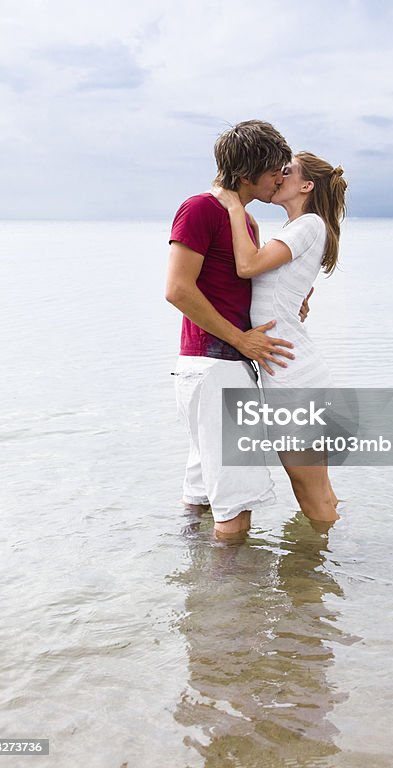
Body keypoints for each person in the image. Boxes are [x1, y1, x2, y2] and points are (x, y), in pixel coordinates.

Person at [166, 120, 302, 540]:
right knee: (237, 509)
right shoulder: (201, 208)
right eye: (274, 170)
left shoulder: (246, 221)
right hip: (216, 367)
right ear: (247, 176)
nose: (281, 177)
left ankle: (197, 588)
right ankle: (236, 603)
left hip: (222, 368)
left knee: (203, 495)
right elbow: (177, 289)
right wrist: (241, 338)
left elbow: (247, 284)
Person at [212, 152, 347, 524]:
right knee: (315, 488)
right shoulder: (301, 228)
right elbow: (279, 290)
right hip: (290, 369)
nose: (276, 175)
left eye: (285, 172)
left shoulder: (307, 225)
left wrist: (234, 208)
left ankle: (322, 571)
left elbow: (247, 265)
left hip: (293, 375)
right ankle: (329, 562)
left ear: (306, 186)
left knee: (309, 491)